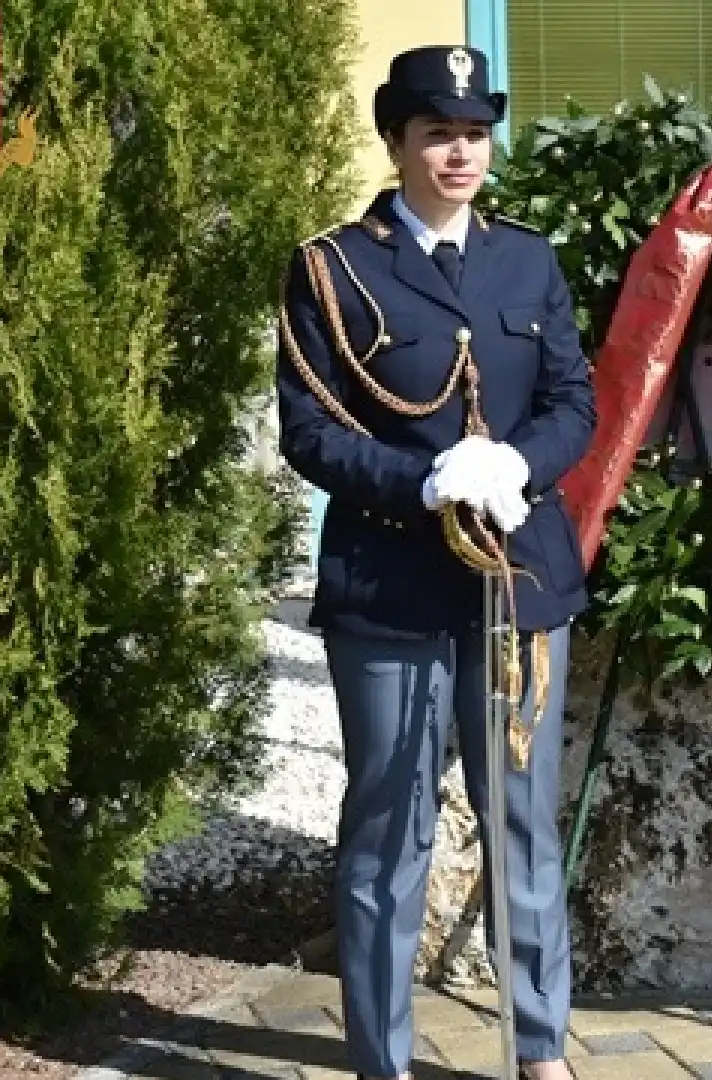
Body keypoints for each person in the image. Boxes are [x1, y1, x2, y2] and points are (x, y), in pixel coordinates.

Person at [273, 43, 595, 1080]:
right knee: (388, 825)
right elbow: (309, 431)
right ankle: (384, 1057)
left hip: (518, 582)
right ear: (396, 141)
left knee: (521, 822)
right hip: (393, 581)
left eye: (475, 133)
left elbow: (572, 403)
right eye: (438, 134)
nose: (461, 153)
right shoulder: (334, 266)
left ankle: (540, 1047)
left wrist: (519, 462)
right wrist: (416, 481)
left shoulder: (527, 260)